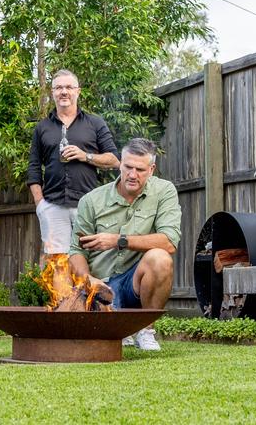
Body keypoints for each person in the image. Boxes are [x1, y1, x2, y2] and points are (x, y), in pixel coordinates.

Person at [69, 138, 182, 351]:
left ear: (151, 169)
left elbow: (169, 241)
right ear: (120, 163)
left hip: (134, 283)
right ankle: (117, 327)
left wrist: (118, 240)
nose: (132, 174)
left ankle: (146, 331)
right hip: (101, 286)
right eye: (128, 167)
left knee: (160, 258)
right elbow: (76, 251)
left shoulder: (164, 191)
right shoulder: (91, 201)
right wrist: (87, 279)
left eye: (139, 169)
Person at [27, 69, 119, 259]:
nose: (64, 91)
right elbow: (34, 167)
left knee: (90, 259)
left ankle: (88, 291)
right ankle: (62, 291)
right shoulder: (42, 127)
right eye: (58, 87)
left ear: (78, 91)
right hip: (52, 206)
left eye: (69, 87)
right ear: (52, 93)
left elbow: (114, 160)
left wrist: (86, 156)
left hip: (87, 205)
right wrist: (40, 204)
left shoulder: (95, 123)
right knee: (57, 262)